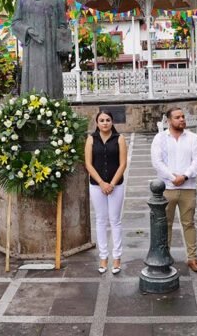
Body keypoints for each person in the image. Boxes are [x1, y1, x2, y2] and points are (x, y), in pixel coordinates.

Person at [151, 108, 197, 272]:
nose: (181, 119)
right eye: (177, 117)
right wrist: (173, 178)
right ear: (168, 121)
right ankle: (164, 257)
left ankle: (192, 258)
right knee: (165, 224)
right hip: (167, 188)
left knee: (189, 223)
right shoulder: (160, 138)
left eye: (183, 116)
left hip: (188, 188)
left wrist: (185, 176)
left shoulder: (193, 138)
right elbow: (157, 162)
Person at [11, 0, 71, 98]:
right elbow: (15, 23)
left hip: (50, 49)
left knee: (51, 82)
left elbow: (63, 25)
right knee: (31, 79)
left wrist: (62, 49)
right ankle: (29, 105)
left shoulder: (56, 0)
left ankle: (53, 107)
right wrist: (28, 30)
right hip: (31, 48)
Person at [84, 110, 128, 275]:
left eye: (108, 120)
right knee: (101, 220)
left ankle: (117, 257)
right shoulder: (90, 139)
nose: (104, 123)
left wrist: (111, 184)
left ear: (112, 122)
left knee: (115, 220)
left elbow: (123, 164)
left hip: (116, 185)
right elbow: (88, 164)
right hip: (96, 185)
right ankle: (103, 257)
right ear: (97, 123)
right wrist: (102, 183)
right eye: (101, 120)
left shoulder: (120, 139)